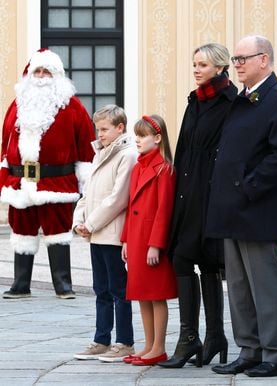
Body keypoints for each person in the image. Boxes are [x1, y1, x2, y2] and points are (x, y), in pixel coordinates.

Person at [206, 35, 277, 378]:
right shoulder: (242, 99)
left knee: (264, 284)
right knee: (240, 286)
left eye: (244, 58)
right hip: (233, 207)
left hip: (259, 207)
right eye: (235, 59)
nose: (238, 64)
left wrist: (248, 187)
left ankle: (275, 354)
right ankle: (249, 349)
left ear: (265, 59)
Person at [157, 43, 237, 369]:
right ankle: (193, 337)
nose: (196, 69)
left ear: (219, 67)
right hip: (187, 194)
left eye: (202, 65)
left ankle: (211, 335)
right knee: (182, 258)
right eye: (194, 64)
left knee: (204, 262)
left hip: (212, 196)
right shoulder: (195, 100)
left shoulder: (231, 102)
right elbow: (182, 149)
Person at [0, 48, 95, 299]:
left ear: (58, 76)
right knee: (21, 231)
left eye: (47, 72)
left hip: (57, 181)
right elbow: (5, 142)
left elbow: (87, 144)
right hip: (21, 180)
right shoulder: (18, 105)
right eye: (37, 71)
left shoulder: (73, 108)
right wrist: (5, 173)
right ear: (29, 74)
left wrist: (85, 183)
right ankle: (20, 284)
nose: (41, 77)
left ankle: (63, 284)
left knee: (59, 233)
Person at [73, 105, 137, 362]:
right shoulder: (101, 153)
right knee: (101, 288)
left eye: (104, 129)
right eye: (97, 129)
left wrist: (92, 223)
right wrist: (79, 220)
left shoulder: (127, 155)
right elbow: (88, 194)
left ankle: (125, 341)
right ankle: (102, 339)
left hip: (111, 233)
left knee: (119, 289)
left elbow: (118, 198)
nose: (99, 134)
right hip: (97, 234)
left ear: (120, 128)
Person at [120, 115, 177, 366]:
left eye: (142, 136)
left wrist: (156, 244)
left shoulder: (164, 169)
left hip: (151, 241)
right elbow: (130, 206)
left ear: (157, 138)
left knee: (156, 294)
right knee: (141, 294)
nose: (137, 140)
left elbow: (164, 210)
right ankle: (148, 344)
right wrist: (125, 241)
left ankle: (159, 347)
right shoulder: (138, 167)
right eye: (137, 135)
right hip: (136, 238)